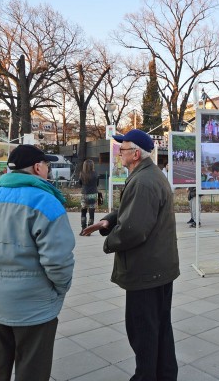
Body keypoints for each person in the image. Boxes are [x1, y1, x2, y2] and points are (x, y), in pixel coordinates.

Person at [0, 144, 74, 381]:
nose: (48, 170)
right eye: (47, 165)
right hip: (35, 305)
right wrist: (60, 288)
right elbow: (58, 260)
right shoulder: (47, 202)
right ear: (37, 167)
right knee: (32, 367)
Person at [81, 130, 179, 381]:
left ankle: (146, 376)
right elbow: (130, 210)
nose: (119, 153)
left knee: (143, 332)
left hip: (146, 271)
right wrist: (107, 221)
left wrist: (109, 242)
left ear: (136, 154)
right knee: (158, 329)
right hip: (156, 268)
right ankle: (164, 375)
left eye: (122, 149)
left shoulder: (144, 181)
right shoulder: (146, 175)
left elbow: (134, 229)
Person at [78, 159, 99, 234]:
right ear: (92, 166)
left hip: (84, 194)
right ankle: (89, 230)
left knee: (83, 212)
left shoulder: (82, 174)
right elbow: (97, 184)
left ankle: (83, 229)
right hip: (93, 194)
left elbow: (80, 183)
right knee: (91, 212)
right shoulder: (95, 173)